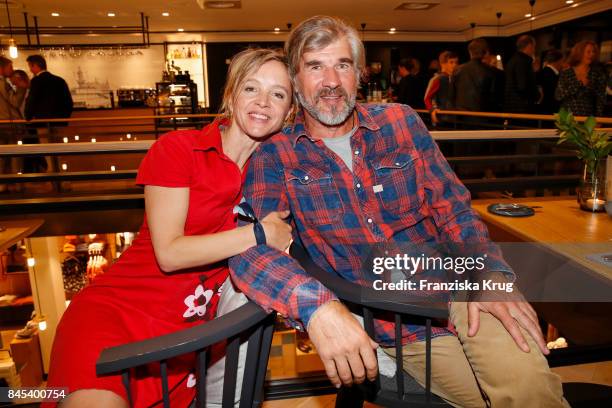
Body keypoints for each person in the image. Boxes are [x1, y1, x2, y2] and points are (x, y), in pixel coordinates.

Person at [229, 16, 569, 408]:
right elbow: (250, 250)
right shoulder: (277, 154)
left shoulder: (402, 122)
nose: (331, 82)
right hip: (397, 323)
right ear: (295, 77)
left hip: (461, 289)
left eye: (342, 65)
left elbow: (453, 208)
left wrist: (489, 273)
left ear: (359, 73)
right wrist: (317, 307)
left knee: (529, 388)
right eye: (315, 66)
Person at [44, 48, 294, 408]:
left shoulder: (273, 178)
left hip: (186, 337)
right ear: (231, 94)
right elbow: (170, 253)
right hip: (115, 315)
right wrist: (259, 234)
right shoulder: (179, 149)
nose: (263, 102)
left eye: (278, 94)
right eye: (251, 88)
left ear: (288, 111)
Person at [555, 40, 606, 117]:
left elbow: (601, 98)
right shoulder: (567, 73)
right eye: (588, 52)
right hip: (567, 118)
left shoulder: (597, 73)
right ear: (580, 53)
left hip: (588, 118)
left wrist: (598, 118)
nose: (592, 54)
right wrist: (578, 84)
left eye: (593, 52)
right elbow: (559, 95)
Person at [0, 56, 27, 191]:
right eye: (9, 67)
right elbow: (15, 102)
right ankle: (17, 183)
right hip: (9, 124)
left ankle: (3, 184)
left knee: (2, 157)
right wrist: (21, 88)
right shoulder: (3, 84)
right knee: (15, 155)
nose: (11, 70)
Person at [504, 35, 539, 113]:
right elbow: (523, 86)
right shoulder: (524, 62)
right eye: (534, 47)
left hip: (511, 107)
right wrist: (537, 95)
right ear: (529, 46)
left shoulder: (512, 60)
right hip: (523, 107)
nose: (534, 50)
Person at [424, 50, 459, 126]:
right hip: (441, 116)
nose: (455, 65)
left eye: (456, 62)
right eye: (451, 62)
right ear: (443, 64)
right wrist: (432, 110)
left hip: (453, 116)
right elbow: (427, 98)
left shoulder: (455, 78)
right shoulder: (438, 79)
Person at [538, 49, 563, 114]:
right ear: (558, 61)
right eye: (562, 61)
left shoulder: (543, 72)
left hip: (544, 109)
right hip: (550, 110)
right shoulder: (550, 74)